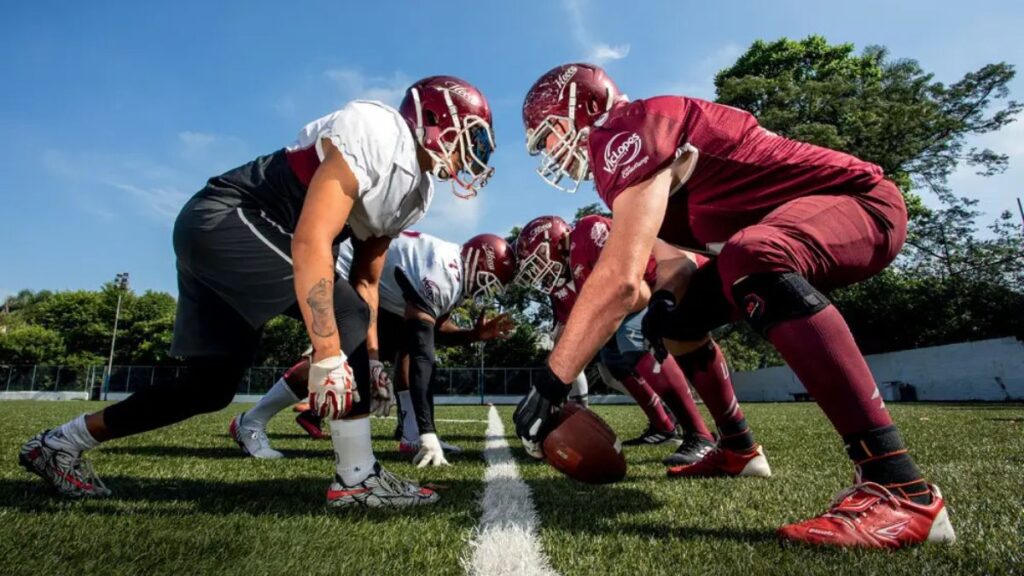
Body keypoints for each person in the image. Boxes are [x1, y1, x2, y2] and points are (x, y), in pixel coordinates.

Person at [514, 62, 955, 548]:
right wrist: (663, 303)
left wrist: (551, 384)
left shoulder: (624, 128)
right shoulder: (632, 157)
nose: (550, 152)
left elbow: (618, 279)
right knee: (682, 321)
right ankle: (739, 449)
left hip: (858, 201)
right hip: (784, 230)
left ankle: (900, 485)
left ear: (588, 107)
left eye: (550, 134)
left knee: (752, 254)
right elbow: (676, 266)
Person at [20, 76, 496, 509]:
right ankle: (356, 478)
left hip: (236, 237)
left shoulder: (416, 194)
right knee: (343, 316)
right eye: (473, 136)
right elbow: (311, 239)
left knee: (209, 387)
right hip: (228, 217)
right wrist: (330, 353)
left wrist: (370, 360)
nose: (475, 152)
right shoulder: (378, 128)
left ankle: (61, 443)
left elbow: (367, 281)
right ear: (434, 118)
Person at [230, 231, 516, 467]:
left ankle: (412, 434)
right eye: (487, 282)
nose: (486, 292)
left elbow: (430, 331)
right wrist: (431, 432)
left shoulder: (453, 268)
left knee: (403, 341)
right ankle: (250, 421)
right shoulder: (443, 274)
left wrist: (475, 334)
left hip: (369, 287)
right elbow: (423, 354)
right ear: (478, 263)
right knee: (341, 356)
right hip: (337, 270)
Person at [514, 214, 718, 465]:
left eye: (538, 260)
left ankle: (700, 434)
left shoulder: (589, 231)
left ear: (558, 241)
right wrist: (546, 391)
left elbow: (636, 292)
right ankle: (663, 427)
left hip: (670, 284)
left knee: (630, 337)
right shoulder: (561, 288)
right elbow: (567, 340)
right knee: (612, 360)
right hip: (636, 301)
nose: (538, 271)